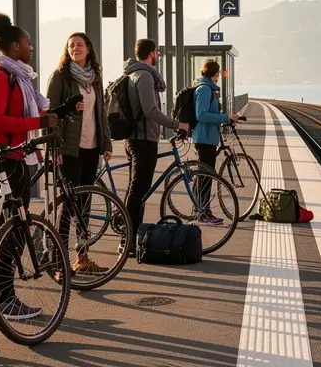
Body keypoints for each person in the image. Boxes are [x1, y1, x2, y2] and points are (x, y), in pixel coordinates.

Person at [0, 13, 56, 320]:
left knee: (12, 232)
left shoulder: (21, 78)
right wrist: (37, 122)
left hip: (18, 157)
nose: (32, 47)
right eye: (28, 43)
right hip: (5, 160)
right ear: (14, 46)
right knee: (10, 233)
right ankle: (2, 299)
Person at [46, 32, 113, 275]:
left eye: (80, 44)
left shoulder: (95, 77)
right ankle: (59, 260)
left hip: (91, 147)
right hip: (69, 150)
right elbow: (50, 113)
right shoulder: (60, 76)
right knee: (68, 205)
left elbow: (101, 112)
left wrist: (106, 143)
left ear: (88, 48)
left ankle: (82, 258)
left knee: (84, 204)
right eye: (71, 45)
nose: (76, 48)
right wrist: (55, 147)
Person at [122, 39, 190, 254]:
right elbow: (150, 110)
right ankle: (128, 241)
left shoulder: (135, 73)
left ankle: (131, 238)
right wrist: (176, 124)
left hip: (138, 138)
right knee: (138, 192)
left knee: (138, 191)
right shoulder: (143, 76)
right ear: (152, 53)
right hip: (142, 141)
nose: (158, 56)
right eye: (157, 53)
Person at [191, 59, 239, 225]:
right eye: (218, 72)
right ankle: (204, 213)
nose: (219, 75)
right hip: (204, 139)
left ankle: (200, 210)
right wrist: (225, 117)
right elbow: (201, 114)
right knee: (206, 176)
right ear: (214, 73)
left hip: (207, 138)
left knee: (204, 176)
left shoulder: (208, 88)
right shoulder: (205, 89)